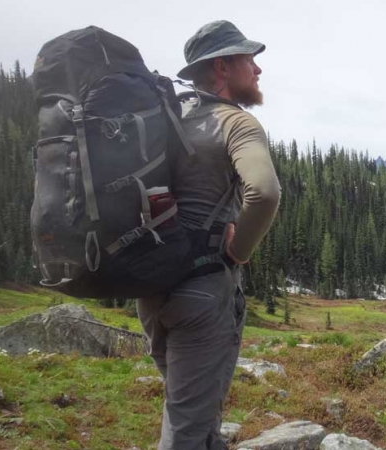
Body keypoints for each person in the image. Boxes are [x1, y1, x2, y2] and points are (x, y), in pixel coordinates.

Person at [137, 20, 281, 450]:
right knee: (188, 429)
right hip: (202, 291)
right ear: (222, 67)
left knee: (189, 412)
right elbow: (265, 192)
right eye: (248, 60)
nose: (257, 70)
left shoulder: (168, 119)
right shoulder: (235, 123)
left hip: (150, 288)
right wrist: (238, 251)